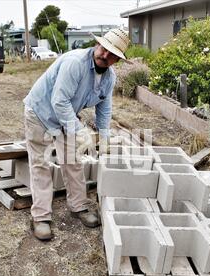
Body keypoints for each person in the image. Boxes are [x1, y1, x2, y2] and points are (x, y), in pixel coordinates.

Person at [23, 28, 131, 241]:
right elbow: (59, 101)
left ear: (118, 60)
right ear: (97, 45)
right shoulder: (75, 63)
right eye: (104, 49)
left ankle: (78, 207)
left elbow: (104, 108)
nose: (105, 56)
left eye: (112, 55)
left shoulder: (109, 77)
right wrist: (81, 132)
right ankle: (41, 217)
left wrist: (104, 137)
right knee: (41, 164)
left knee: (72, 161)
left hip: (66, 116)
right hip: (40, 112)